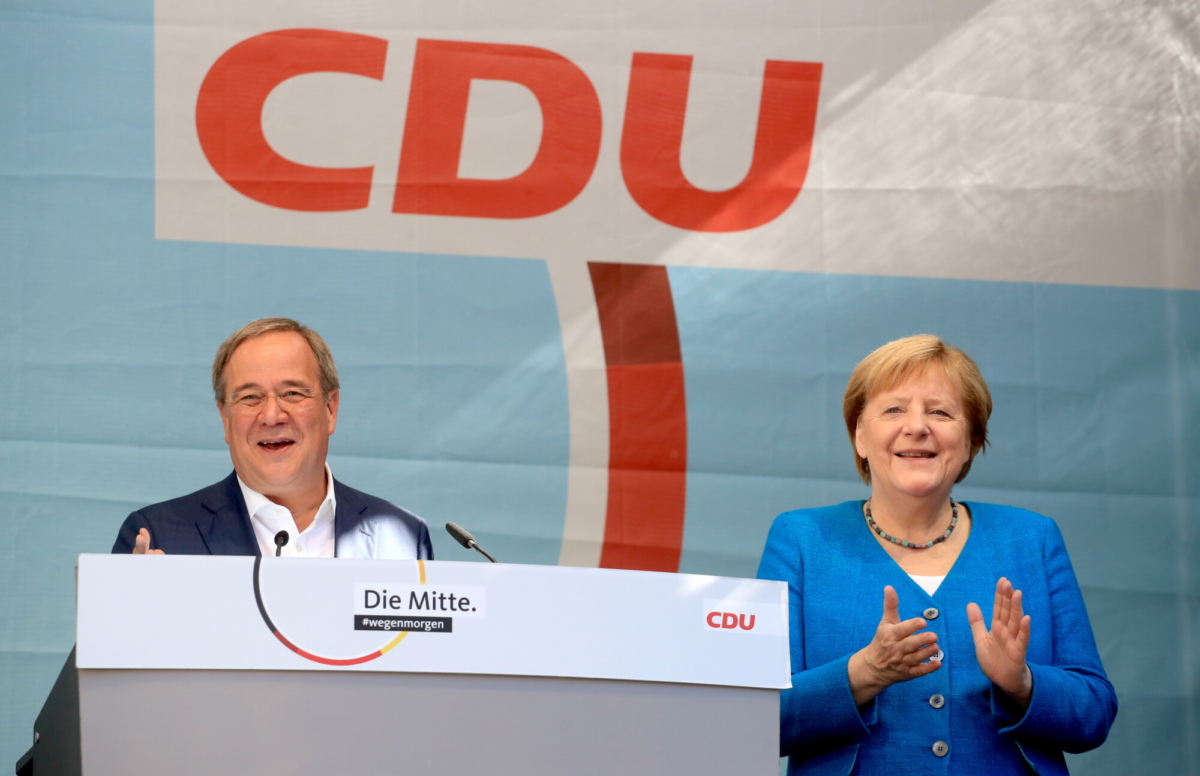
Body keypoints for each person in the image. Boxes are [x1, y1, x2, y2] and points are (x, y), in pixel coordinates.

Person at [757, 335, 1115, 775]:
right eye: (893, 409)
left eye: (940, 411)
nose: (917, 427)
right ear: (860, 437)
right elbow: (758, 718)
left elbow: (1094, 715)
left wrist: (1023, 684)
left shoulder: (1032, 538)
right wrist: (864, 671)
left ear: (969, 442)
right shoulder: (801, 539)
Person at [111, 318, 432, 559]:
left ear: (330, 409)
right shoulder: (157, 535)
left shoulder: (402, 538)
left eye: (292, 393)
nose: (272, 416)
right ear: (225, 418)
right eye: (250, 397)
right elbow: (101, 649)